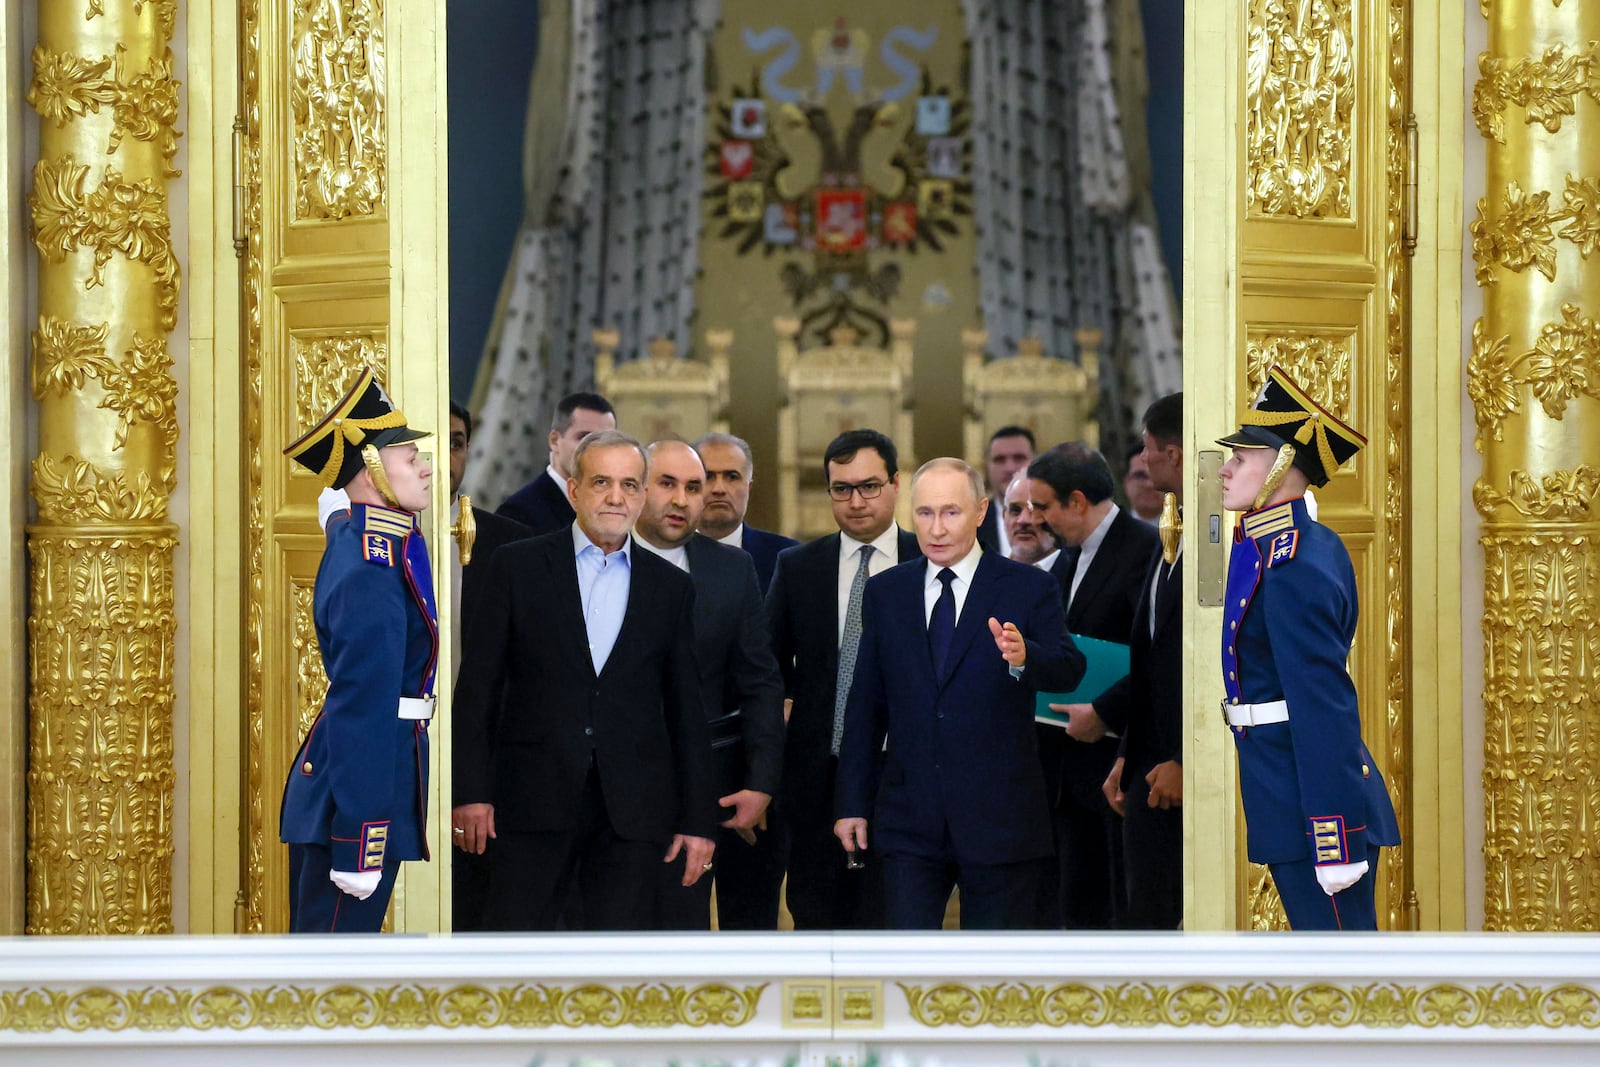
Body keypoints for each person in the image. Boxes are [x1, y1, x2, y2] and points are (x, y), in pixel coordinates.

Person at [451, 429, 717, 930]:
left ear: (641, 496)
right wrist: (470, 791)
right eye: (601, 482)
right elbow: (479, 689)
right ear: (574, 490)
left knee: (615, 961)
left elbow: (685, 708)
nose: (616, 497)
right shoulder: (516, 566)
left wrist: (697, 821)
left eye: (629, 485)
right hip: (528, 802)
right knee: (516, 950)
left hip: (633, 813)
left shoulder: (671, 588)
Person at [833, 458, 1085, 929]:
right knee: (905, 966)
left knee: (995, 976)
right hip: (909, 818)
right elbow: (865, 704)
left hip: (1001, 820)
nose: (937, 528)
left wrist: (1024, 656)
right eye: (925, 513)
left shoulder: (1028, 587)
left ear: (980, 512)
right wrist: (851, 803)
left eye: (950, 512)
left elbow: (1069, 668)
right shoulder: (887, 591)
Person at [1215, 367, 1400, 931]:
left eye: (1241, 458)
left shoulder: (1295, 563)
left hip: (1310, 800)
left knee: (1347, 986)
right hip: (1282, 784)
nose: (1225, 469)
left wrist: (1335, 835)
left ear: (1279, 467)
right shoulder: (1277, 547)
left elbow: (1323, 705)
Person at [279, 366, 437, 933]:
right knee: (327, 989)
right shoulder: (372, 564)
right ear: (369, 470)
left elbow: (344, 516)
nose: (425, 465)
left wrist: (343, 511)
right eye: (406, 456)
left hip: (366, 780)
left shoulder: (366, 533)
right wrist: (360, 840)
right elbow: (362, 702)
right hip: (357, 799)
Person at [766, 428, 919, 929]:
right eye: (841, 488)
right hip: (817, 778)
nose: (856, 501)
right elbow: (767, 667)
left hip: (908, 772)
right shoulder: (797, 568)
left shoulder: (932, 562)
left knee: (901, 918)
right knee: (816, 918)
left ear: (897, 483)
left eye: (870, 486)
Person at [634, 440, 786, 930]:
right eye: (667, 484)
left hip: (709, 785)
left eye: (693, 488)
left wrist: (761, 781)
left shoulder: (731, 569)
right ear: (638, 488)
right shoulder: (590, 561)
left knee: (687, 931)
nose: (681, 499)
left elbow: (760, 682)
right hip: (607, 787)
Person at [1027, 444, 1159, 929]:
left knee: (1117, 913)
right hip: (1064, 773)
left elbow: (1160, 656)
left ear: (1077, 501)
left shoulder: (1146, 549)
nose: (1037, 519)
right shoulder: (1064, 560)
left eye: (1044, 507)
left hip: (1119, 765)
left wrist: (1105, 711)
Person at [1098, 392, 1185, 929]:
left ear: (1172, 454)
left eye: (1149, 450)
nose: (1144, 460)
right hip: (1148, 768)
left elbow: (1204, 667)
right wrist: (1127, 756)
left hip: (1180, 771)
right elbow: (1151, 663)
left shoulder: (1213, 536)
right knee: (1144, 917)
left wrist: (1186, 760)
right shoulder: (1168, 534)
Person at [444, 401, 530, 932]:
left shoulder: (508, 546)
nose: (446, 456)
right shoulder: (363, 537)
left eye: (456, 442)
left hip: (490, 774)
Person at [693, 431, 798, 594]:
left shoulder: (789, 560)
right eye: (708, 477)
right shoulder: (662, 557)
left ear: (748, 488)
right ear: (690, 488)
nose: (719, 489)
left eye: (732, 477)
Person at [496, 392, 617, 532]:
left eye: (606, 441)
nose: (596, 450)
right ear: (554, 441)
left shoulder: (617, 509)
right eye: (584, 438)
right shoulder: (518, 513)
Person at [976, 425, 1036, 556]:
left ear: (1036, 462)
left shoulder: (1057, 521)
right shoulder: (972, 525)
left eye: (1019, 458)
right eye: (999, 459)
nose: (1009, 468)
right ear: (986, 466)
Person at [1002, 472, 1059, 568]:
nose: (1023, 520)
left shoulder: (1078, 573)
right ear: (1004, 516)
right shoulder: (985, 576)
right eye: (1015, 510)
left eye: (1035, 509)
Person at [1123, 441, 1165, 525]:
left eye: (1156, 476)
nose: (1149, 485)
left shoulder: (1190, 533)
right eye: (1140, 476)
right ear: (1126, 483)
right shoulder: (1108, 534)